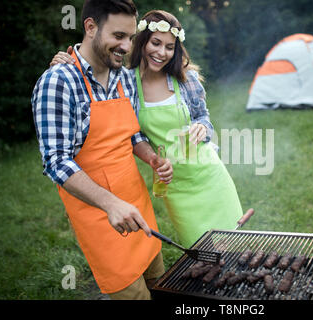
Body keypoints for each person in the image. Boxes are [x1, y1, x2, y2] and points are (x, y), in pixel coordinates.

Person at [51, 10, 244, 247]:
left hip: (209, 175)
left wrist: (202, 127)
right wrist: (65, 60)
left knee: (233, 244)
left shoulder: (186, 79)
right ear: (141, 41)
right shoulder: (125, 81)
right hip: (174, 185)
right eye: (155, 43)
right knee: (201, 248)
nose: (161, 52)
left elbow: (203, 117)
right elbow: (131, 131)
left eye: (170, 47)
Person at [32, 0, 173, 300]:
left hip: (138, 204)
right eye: (118, 36)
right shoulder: (58, 82)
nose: (127, 46)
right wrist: (110, 204)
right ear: (91, 27)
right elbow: (56, 162)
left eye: (131, 37)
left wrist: (151, 157)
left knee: (159, 282)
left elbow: (133, 135)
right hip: (99, 214)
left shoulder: (124, 77)